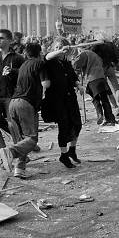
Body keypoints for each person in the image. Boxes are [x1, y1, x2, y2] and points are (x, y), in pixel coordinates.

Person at [0, 43, 49, 178]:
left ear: (26, 53)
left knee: (22, 140)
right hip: (26, 104)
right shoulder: (40, 63)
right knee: (31, 140)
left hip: (13, 103)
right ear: (39, 52)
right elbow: (46, 84)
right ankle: (10, 152)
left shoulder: (24, 65)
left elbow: (14, 73)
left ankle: (19, 169)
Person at [42, 39, 83, 168]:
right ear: (54, 48)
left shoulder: (65, 62)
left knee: (77, 124)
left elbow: (72, 76)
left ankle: (72, 150)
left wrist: (79, 85)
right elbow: (47, 56)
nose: (60, 49)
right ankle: (63, 155)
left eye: (62, 47)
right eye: (57, 47)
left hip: (70, 97)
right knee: (64, 126)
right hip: (57, 100)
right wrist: (60, 50)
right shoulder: (49, 61)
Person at [72, 43, 116, 125]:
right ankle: (110, 118)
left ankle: (99, 114)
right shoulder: (96, 55)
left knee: (95, 99)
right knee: (104, 99)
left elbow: (75, 65)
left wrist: (73, 59)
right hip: (101, 77)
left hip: (92, 78)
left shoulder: (84, 53)